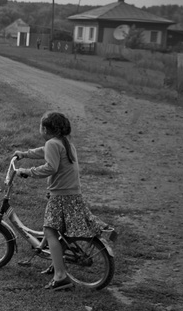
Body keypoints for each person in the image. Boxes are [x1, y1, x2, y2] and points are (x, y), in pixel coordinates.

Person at [13, 111, 113, 292]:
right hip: (72, 194)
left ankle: (60, 276)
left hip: (61, 196)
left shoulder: (52, 143)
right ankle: (56, 264)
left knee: (50, 231)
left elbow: (51, 167)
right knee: (59, 230)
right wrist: (24, 154)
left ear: (45, 129)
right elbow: (44, 152)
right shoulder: (65, 143)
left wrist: (27, 171)